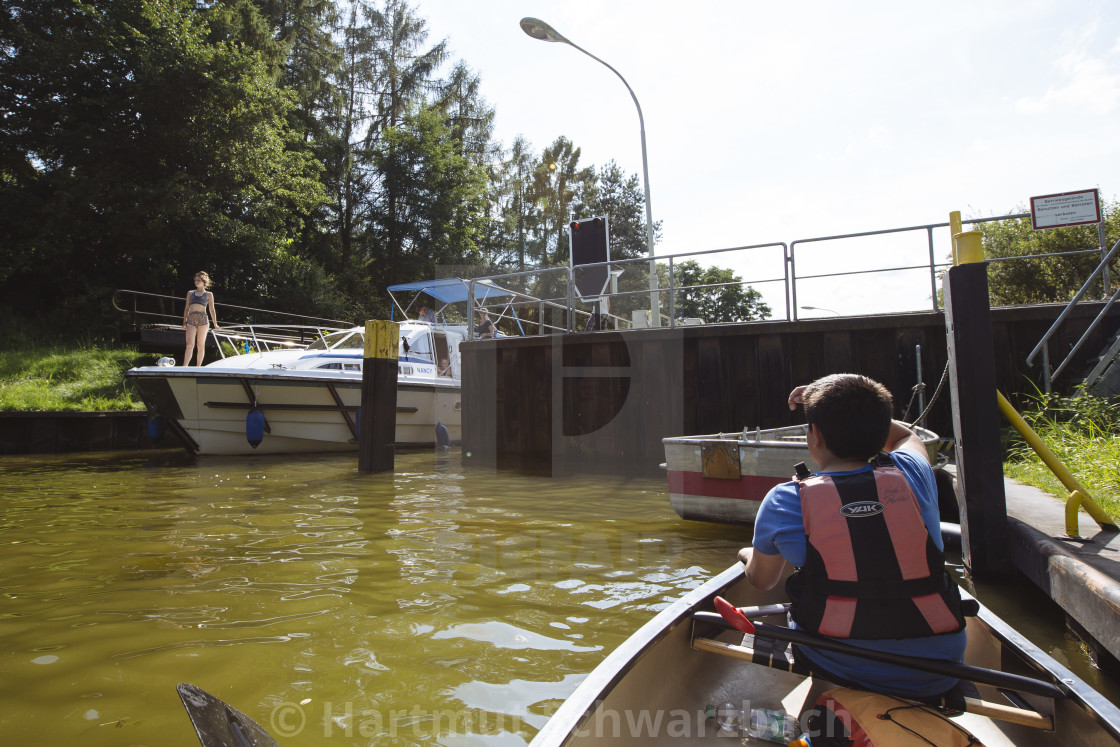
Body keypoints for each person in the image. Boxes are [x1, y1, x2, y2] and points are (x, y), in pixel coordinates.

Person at [740, 373, 967, 699]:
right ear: (878, 430)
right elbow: (904, 436)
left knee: (802, 626)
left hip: (840, 664)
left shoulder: (784, 499)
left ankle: (823, 707)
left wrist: (747, 555)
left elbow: (763, 580)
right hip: (940, 668)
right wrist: (849, 410)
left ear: (814, 435)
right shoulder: (913, 471)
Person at [182, 271, 219, 366]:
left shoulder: (208, 294)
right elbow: (187, 308)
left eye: (198, 280)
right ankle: (184, 366)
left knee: (200, 344)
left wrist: (215, 323)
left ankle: (198, 367)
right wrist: (184, 322)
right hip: (191, 319)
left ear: (204, 282)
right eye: (195, 280)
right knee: (189, 344)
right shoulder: (190, 293)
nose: (196, 282)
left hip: (203, 320)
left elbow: (212, 309)